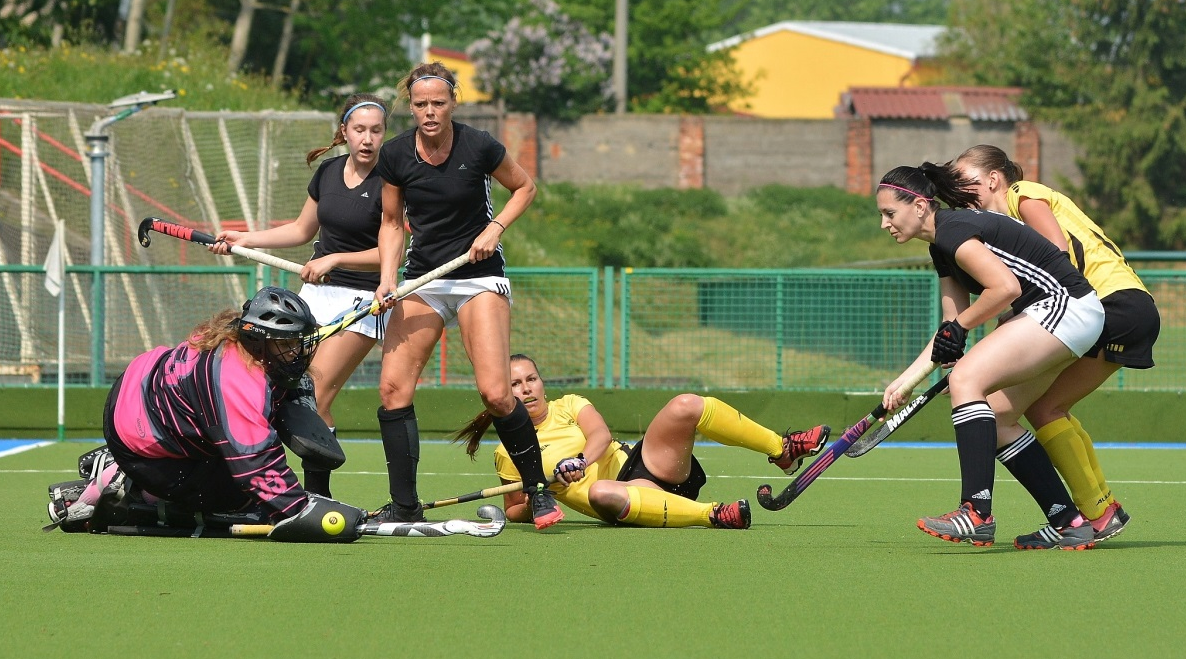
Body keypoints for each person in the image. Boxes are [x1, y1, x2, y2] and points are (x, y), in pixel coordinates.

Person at [368, 62, 558, 528]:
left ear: (453, 102)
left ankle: (538, 490)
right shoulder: (394, 155)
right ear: (411, 107)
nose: (430, 112)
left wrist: (495, 228)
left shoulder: (479, 145)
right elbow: (391, 223)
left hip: (478, 276)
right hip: (424, 278)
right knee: (392, 389)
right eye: (421, 104)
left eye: (438, 102)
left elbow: (525, 187)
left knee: (496, 393)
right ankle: (405, 504)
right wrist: (388, 278)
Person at [876, 163, 1105, 550]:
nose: (885, 224)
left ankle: (976, 512)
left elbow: (1004, 288)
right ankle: (1069, 521)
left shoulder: (954, 230)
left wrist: (960, 337)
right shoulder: (941, 246)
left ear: (918, 206)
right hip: (1061, 316)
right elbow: (950, 325)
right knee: (997, 418)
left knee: (967, 380)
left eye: (889, 213)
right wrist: (905, 382)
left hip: (1065, 308)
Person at [45, 287, 367, 543]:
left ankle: (123, 472)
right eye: (287, 344)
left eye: (298, 342)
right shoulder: (237, 382)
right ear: (259, 342)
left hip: (138, 389)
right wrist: (301, 509)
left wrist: (318, 496)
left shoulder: (238, 340)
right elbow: (256, 465)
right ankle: (124, 483)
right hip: (136, 432)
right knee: (242, 501)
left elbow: (293, 410)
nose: (296, 352)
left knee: (231, 467)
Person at [952, 144, 1158, 544]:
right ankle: (1098, 511)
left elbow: (1056, 253)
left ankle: (1095, 514)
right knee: (1034, 409)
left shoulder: (1023, 194)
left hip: (1112, 305)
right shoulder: (1007, 226)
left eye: (966, 182)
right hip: (1121, 307)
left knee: (1043, 408)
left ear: (993, 180)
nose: (960, 194)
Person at [210, 93, 390, 498]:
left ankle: (317, 500)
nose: (367, 139)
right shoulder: (328, 172)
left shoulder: (390, 180)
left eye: (376, 131)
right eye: (359, 130)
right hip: (314, 296)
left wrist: (335, 259)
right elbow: (300, 230)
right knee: (280, 389)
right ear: (344, 131)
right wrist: (246, 239)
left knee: (314, 391)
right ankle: (270, 488)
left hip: (362, 300)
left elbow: (390, 252)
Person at [453, 354, 830, 529]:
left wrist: (580, 460)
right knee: (601, 490)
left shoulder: (569, 405)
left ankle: (782, 449)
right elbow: (515, 509)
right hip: (619, 500)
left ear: (542, 383)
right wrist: (542, 492)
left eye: (531, 379)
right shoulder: (507, 452)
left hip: (645, 466)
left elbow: (600, 435)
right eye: (515, 384)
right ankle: (714, 515)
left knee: (686, 405)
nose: (526, 389)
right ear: (504, 394)